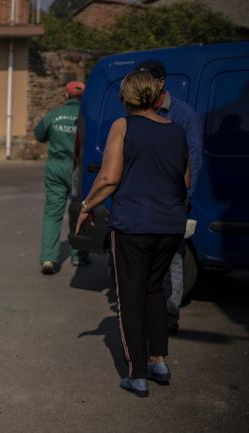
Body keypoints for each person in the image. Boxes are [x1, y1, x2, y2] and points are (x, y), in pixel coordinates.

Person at [76, 70, 189, 398]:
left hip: (134, 225)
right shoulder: (177, 131)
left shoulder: (123, 126)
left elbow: (110, 178)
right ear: (156, 97)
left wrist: (86, 206)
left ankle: (137, 373)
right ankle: (159, 361)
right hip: (170, 224)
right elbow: (185, 182)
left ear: (126, 98)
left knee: (130, 296)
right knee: (155, 289)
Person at [135, 59, 203, 334]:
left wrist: (183, 198)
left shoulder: (183, 116)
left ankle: (170, 313)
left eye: (147, 81)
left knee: (173, 259)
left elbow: (193, 161)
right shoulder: (140, 111)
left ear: (161, 82)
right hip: (143, 201)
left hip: (172, 200)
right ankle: (146, 312)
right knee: (143, 259)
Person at [34, 80, 90, 275]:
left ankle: (49, 258)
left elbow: (39, 134)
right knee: (79, 210)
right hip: (78, 168)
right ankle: (78, 255)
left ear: (65, 96)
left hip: (56, 167)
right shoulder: (87, 117)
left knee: (52, 212)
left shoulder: (53, 116)